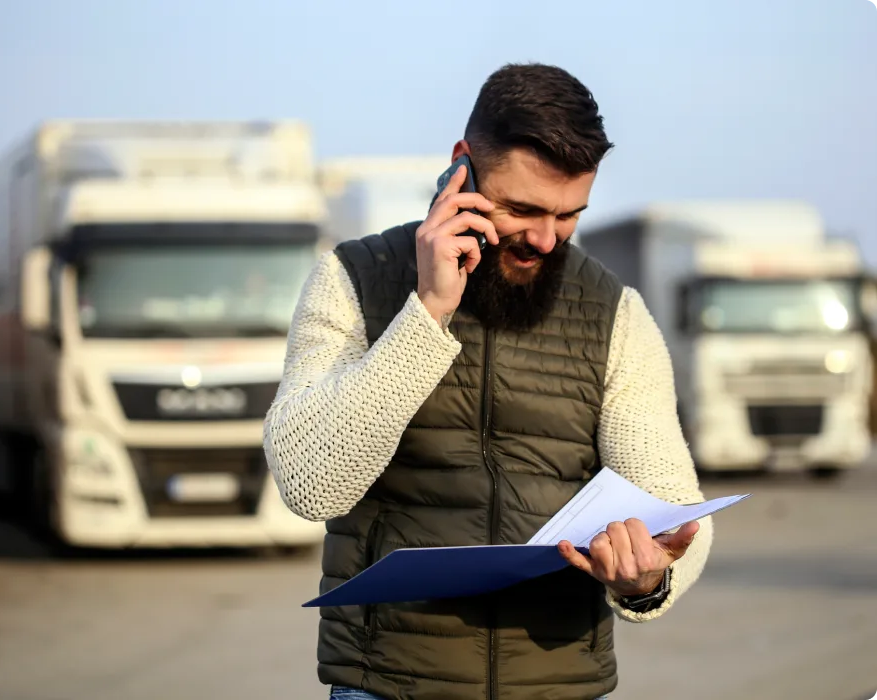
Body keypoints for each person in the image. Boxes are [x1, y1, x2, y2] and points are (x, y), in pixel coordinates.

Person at [263, 62, 714, 700]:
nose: (544, 239)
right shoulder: (351, 280)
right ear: (461, 167)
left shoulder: (617, 314)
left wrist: (649, 578)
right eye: (523, 209)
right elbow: (312, 483)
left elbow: (671, 506)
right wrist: (426, 312)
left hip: (561, 686)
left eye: (569, 215)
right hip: (388, 685)